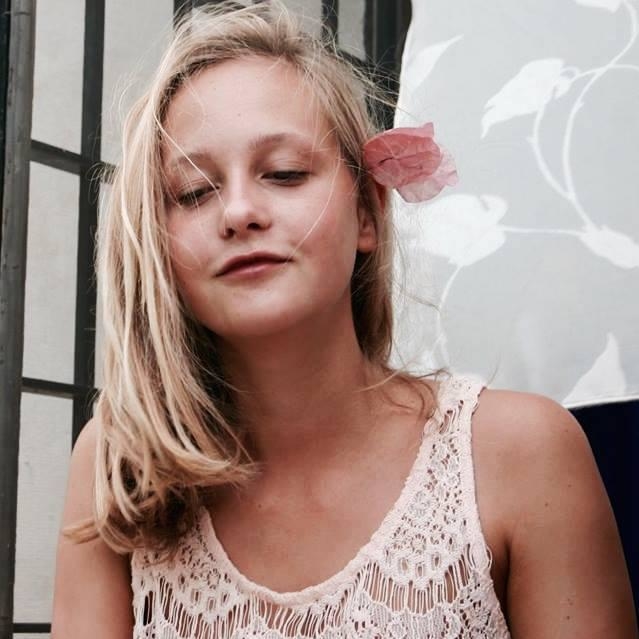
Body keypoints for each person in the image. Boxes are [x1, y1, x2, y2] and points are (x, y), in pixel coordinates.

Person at [51, 2, 637, 637]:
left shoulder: (521, 453)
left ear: (367, 214)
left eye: (284, 173)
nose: (239, 212)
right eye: (193, 192)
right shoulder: (118, 464)